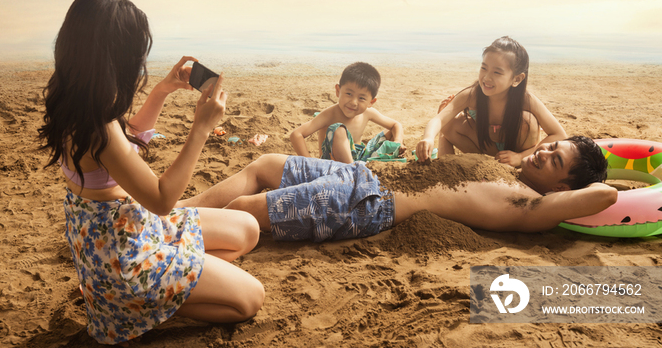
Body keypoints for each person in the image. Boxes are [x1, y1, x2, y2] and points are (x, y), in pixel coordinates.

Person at [38, 0, 264, 346]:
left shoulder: (75, 100)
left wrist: (161, 91)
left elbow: (125, 144)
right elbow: (161, 198)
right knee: (250, 299)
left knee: (247, 229)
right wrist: (201, 128)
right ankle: (136, 308)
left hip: (125, 230)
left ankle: (160, 288)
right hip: (126, 256)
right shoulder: (99, 126)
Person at [185, 136, 615, 241]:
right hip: (359, 173)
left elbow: (604, 196)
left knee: (245, 205)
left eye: (555, 160)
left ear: (562, 185)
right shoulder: (504, 166)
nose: (543, 152)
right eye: (551, 147)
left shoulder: (530, 205)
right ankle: (173, 208)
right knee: (263, 164)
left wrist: (609, 182)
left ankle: (165, 230)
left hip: (368, 202)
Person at [415, 36, 567, 167]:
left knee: (529, 121)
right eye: (484, 68)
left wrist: (520, 157)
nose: (487, 77)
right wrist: (428, 138)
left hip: (517, 150)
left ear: (516, 79)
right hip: (484, 148)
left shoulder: (526, 100)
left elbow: (559, 134)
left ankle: (515, 162)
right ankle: (446, 167)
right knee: (447, 123)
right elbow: (438, 120)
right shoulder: (472, 95)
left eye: (497, 72)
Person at [289, 62, 405, 163]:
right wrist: (310, 162)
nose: (353, 102)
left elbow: (396, 125)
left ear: (371, 102)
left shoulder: (368, 113)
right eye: (349, 94)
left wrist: (397, 143)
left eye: (362, 98)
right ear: (338, 91)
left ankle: (359, 167)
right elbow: (296, 134)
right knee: (339, 130)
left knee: (392, 132)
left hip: (360, 158)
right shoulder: (330, 114)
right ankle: (353, 171)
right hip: (333, 162)